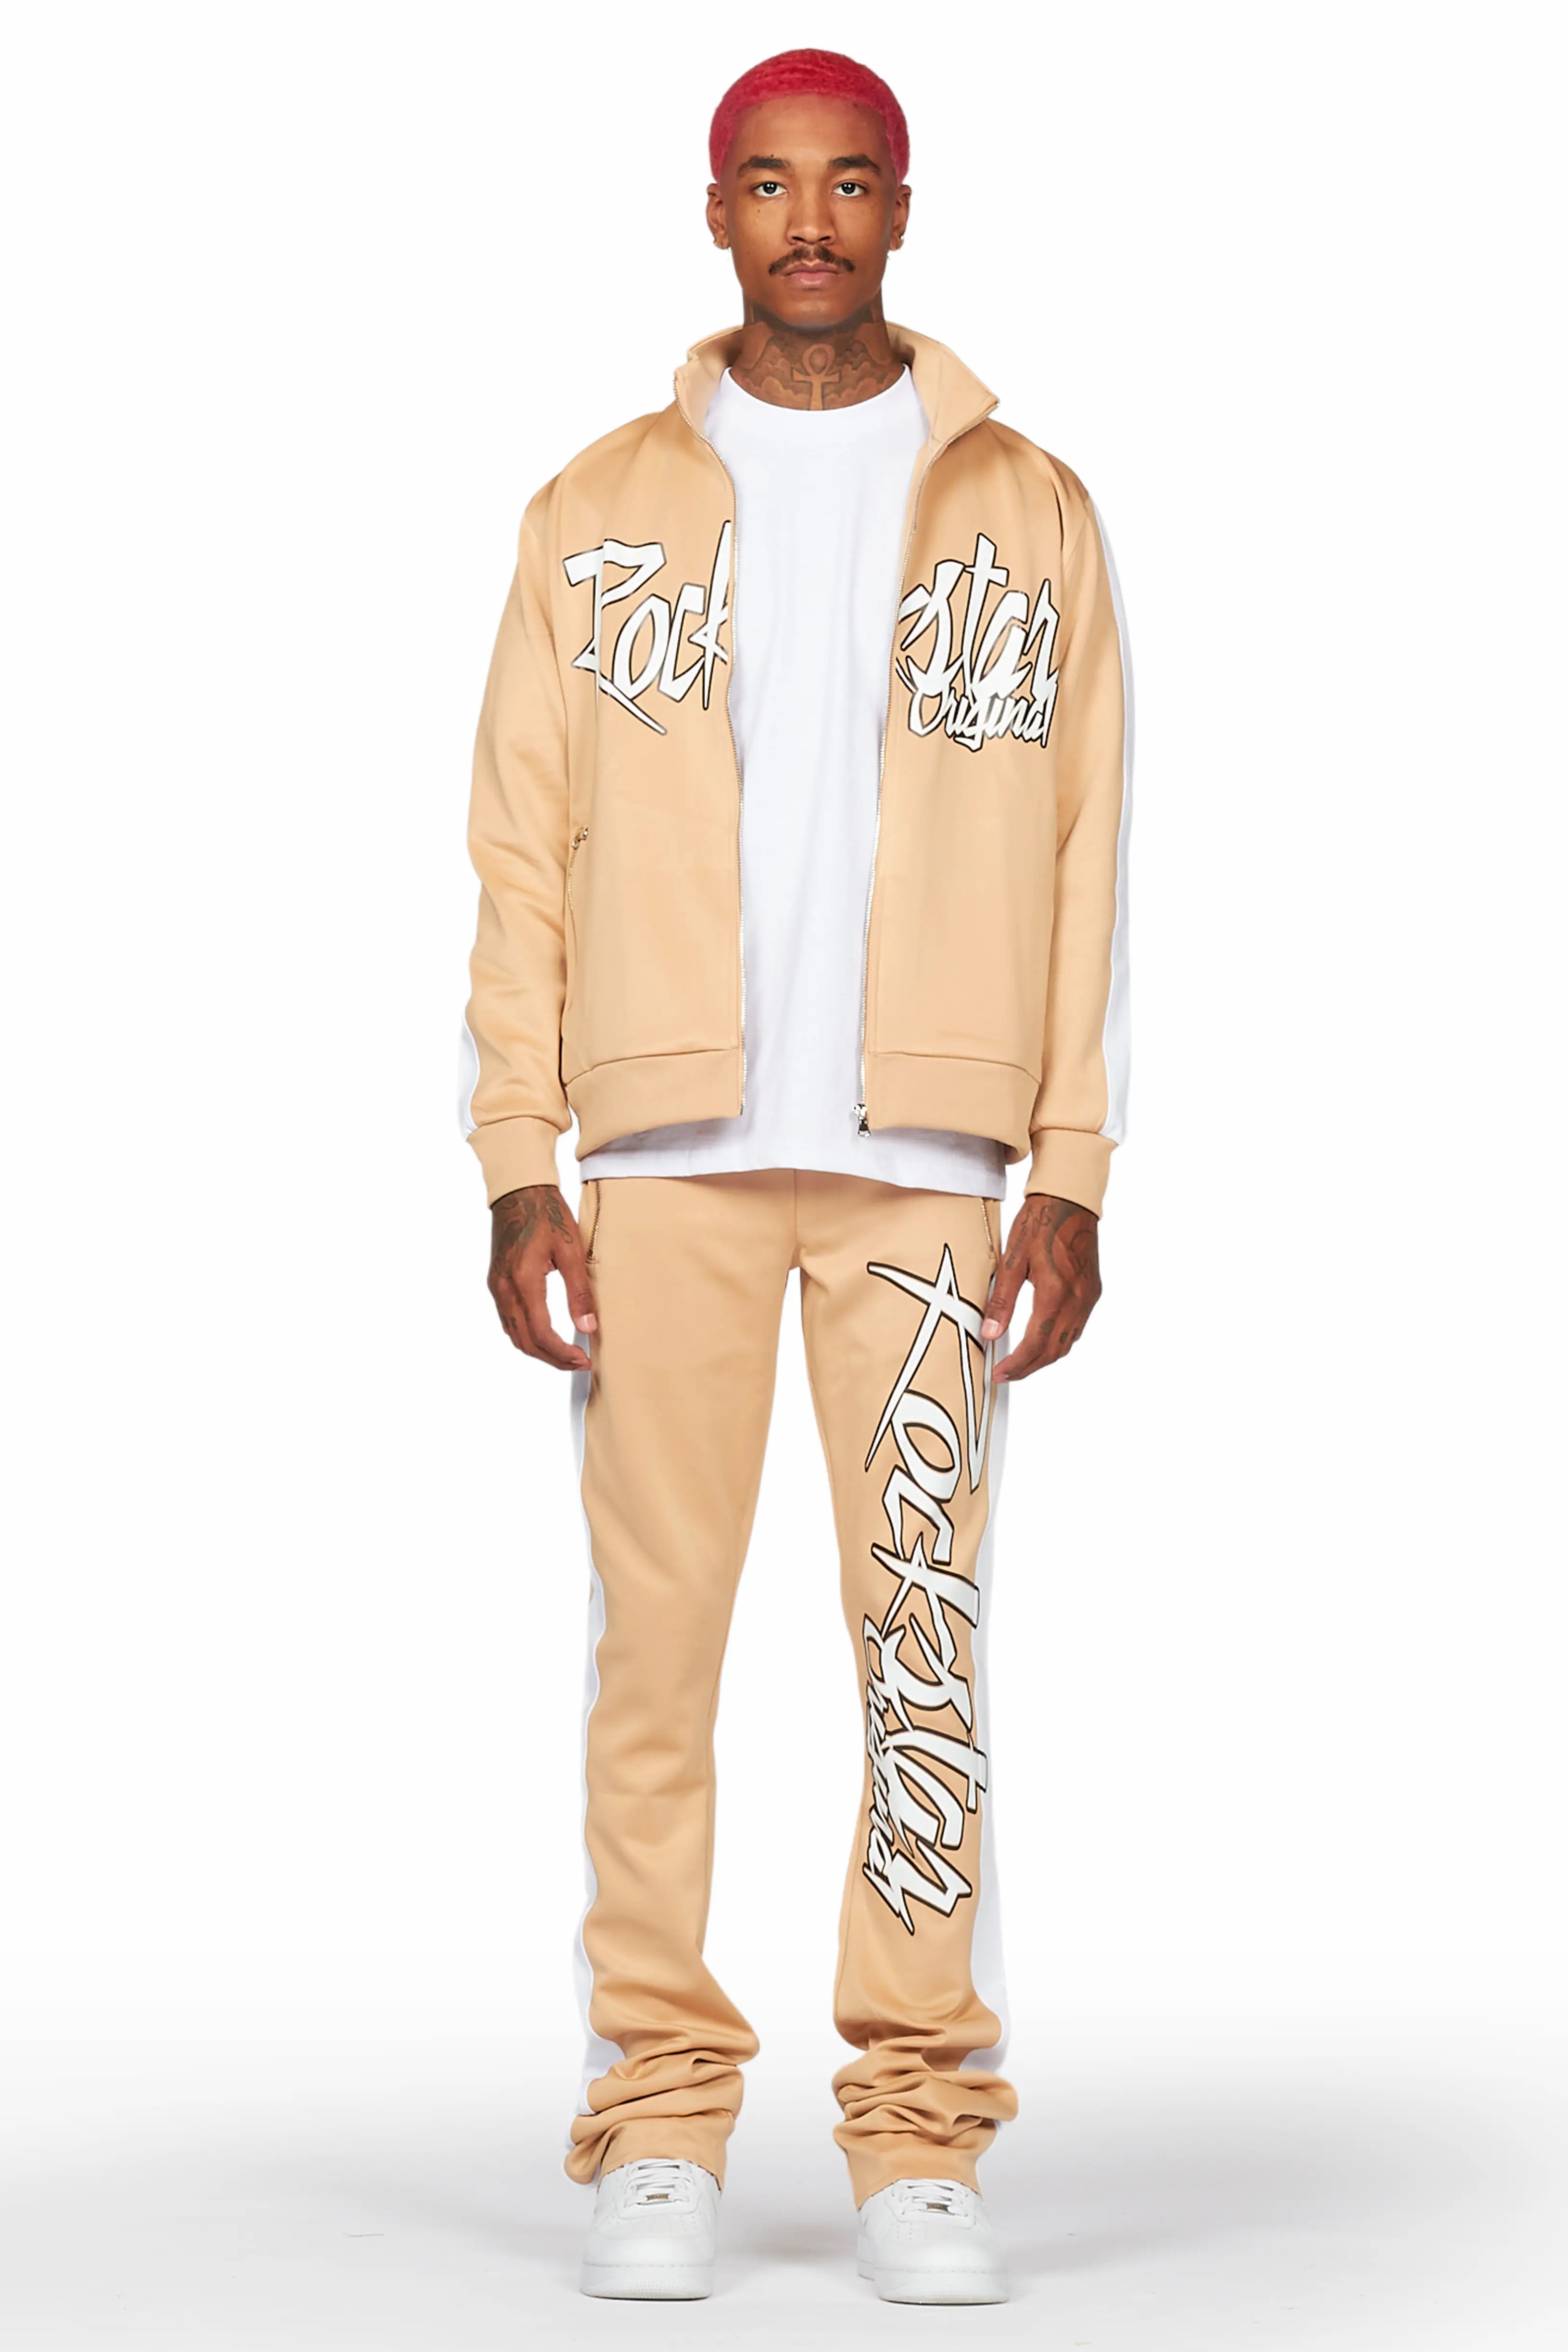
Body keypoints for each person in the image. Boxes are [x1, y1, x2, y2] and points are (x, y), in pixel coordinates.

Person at [459, 46, 1131, 2306]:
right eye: (768, 183)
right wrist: (517, 1160)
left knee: (916, 1652)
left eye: (848, 182)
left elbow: (1085, 851)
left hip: (928, 1172)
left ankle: (917, 2127)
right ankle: (657, 2114)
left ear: (902, 207)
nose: (810, 220)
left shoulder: (1028, 507)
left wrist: (1069, 1163)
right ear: (715, 213)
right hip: (662, 1161)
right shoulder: (595, 508)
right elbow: (519, 848)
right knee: (650, 1657)